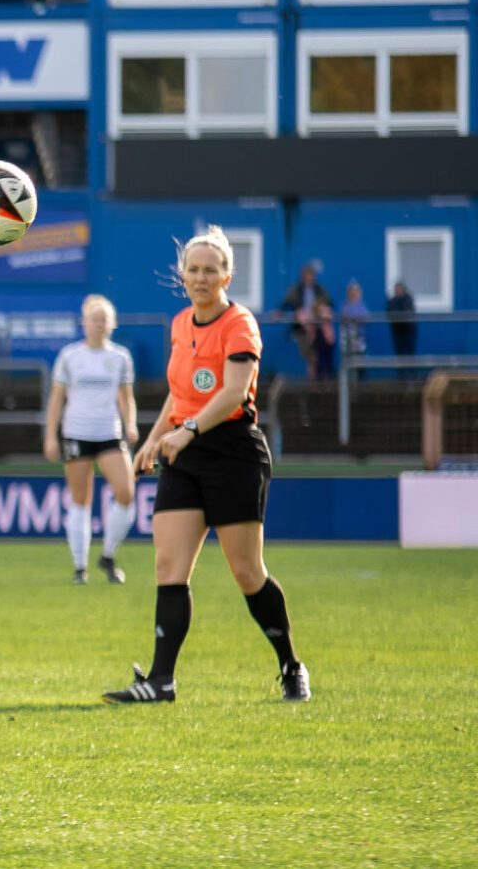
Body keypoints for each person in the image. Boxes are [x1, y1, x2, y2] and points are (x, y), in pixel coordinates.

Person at [104, 226, 310, 705]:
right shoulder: (180, 324)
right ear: (182, 276)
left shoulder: (240, 324)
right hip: (184, 454)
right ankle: (161, 681)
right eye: (193, 270)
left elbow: (234, 393)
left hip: (233, 453)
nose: (201, 277)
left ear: (227, 277)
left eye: (210, 270)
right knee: (169, 566)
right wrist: (153, 439)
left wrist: (188, 430)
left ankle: (291, 666)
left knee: (247, 572)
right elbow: (179, 393)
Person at [43, 295, 138, 585]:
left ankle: (108, 554)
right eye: (94, 319)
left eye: (104, 320)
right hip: (77, 433)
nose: (99, 324)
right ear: (83, 323)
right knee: (80, 500)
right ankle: (79, 566)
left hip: (109, 432)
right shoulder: (70, 356)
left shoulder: (120, 357)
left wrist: (130, 424)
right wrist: (51, 436)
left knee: (126, 492)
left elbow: (126, 397)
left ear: (112, 324)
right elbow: (56, 399)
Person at [275, 260, 331, 376]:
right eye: (306, 275)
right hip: (301, 328)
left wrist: (321, 309)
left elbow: (328, 303)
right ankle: (313, 379)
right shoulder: (296, 290)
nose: (308, 278)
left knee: (317, 354)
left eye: (310, 275)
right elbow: (286, 302)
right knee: (309, 355)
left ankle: (316, 379)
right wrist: (279, 312)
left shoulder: (319, 289)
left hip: (317, 326)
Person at [387, 280, 417, 362]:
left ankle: (411, 369)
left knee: (410, 352)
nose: (398, 291)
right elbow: (390, 314)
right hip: (397, 331)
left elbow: (410, 312)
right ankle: (400, 369)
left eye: (400, 289)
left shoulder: (408, 300)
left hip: (408, 330)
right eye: (397, 289)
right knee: (399, 353)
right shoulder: (392, 301)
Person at [308, 298, 336, 386]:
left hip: (328, 341)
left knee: (328, 361)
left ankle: (329, 381)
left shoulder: (326, 312)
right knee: (318, 362)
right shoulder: (313, 316)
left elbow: (328, 317)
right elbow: (311, 328)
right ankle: (318, 381)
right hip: (318, 342)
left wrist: (322, 314)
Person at [339, 280, 370, 357]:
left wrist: (356, 319)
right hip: (347, 337)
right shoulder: (345, 305)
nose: (353, 293)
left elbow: (366, 318)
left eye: (355, 292)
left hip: (359, 337)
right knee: (347, 356)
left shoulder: (362, 306)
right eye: (351, 292)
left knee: (359, 356)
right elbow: (343, 317)